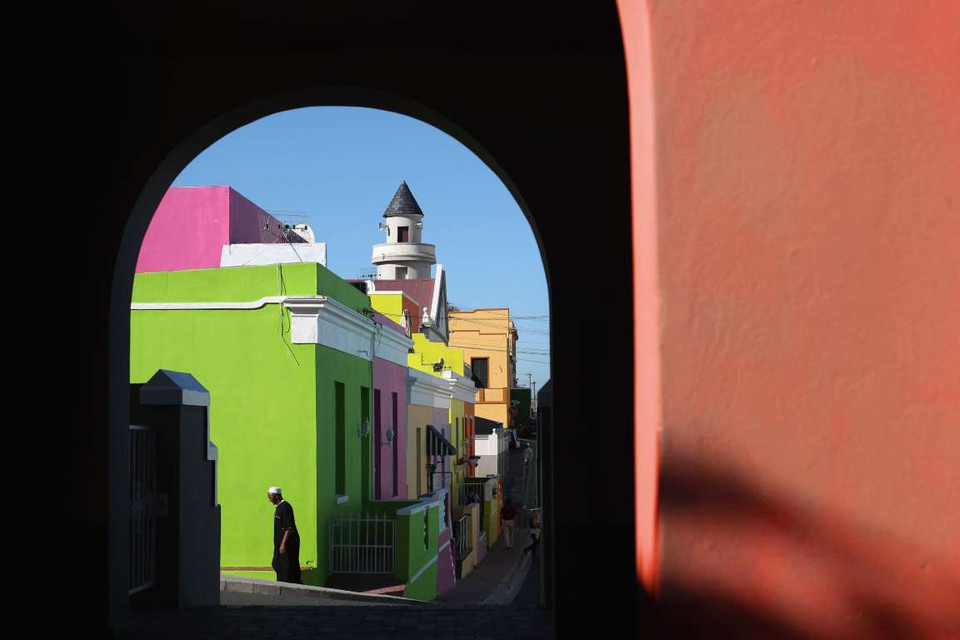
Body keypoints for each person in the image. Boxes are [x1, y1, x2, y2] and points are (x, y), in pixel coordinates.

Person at [267, 487, 302, 584]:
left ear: (277, 496)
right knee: (277, 563)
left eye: (270, 496)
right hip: (279, 544)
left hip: (287, 543)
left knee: (287, 566)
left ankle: (289, 584)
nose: (269, 499)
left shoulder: (285, 507)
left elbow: (288, 528)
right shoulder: (278, 507)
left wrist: (283, 544)